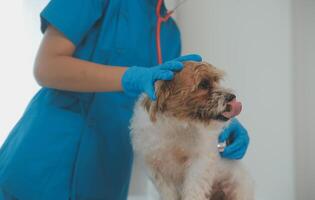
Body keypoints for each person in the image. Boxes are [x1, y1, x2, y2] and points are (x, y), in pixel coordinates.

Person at [0, 0, 249, 199]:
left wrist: (217, 123)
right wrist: (130, 77)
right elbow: (46, 66)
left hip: (106, 173)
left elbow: (170, 109)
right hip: (45, 162)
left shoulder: (170, 33)